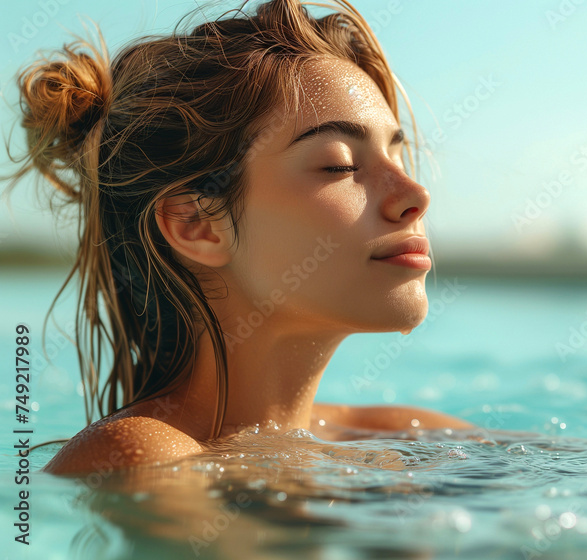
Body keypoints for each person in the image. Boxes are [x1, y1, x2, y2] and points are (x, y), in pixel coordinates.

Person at [6, 0, 474, 475]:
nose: (415, 195)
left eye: (397, 156)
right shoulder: (139, 454)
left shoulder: (407, 433)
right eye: (340, 165)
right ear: (198, 225)